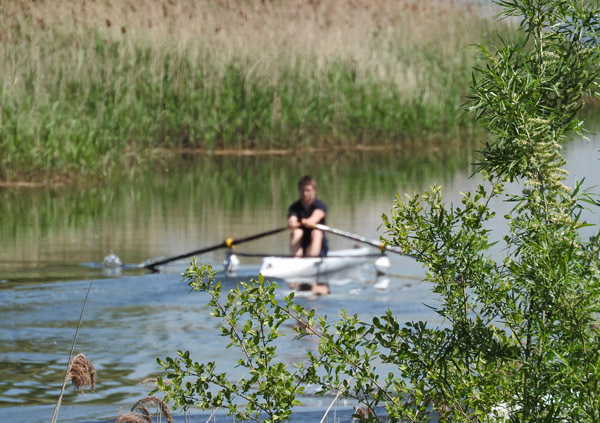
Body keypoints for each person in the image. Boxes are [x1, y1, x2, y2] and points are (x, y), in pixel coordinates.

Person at [287, 175, 328, 257]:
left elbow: (317, 214)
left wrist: (310, 221)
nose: (305, 193)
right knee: (296, 232)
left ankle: (312, 260)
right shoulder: (294, 207)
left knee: (316, 232)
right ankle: (295, 261)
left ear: (314, 191)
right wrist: (292, 222)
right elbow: (292, 217)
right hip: (301, 245)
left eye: (308, 190)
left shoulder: (320, 206)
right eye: (302, 190)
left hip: (319, 249)